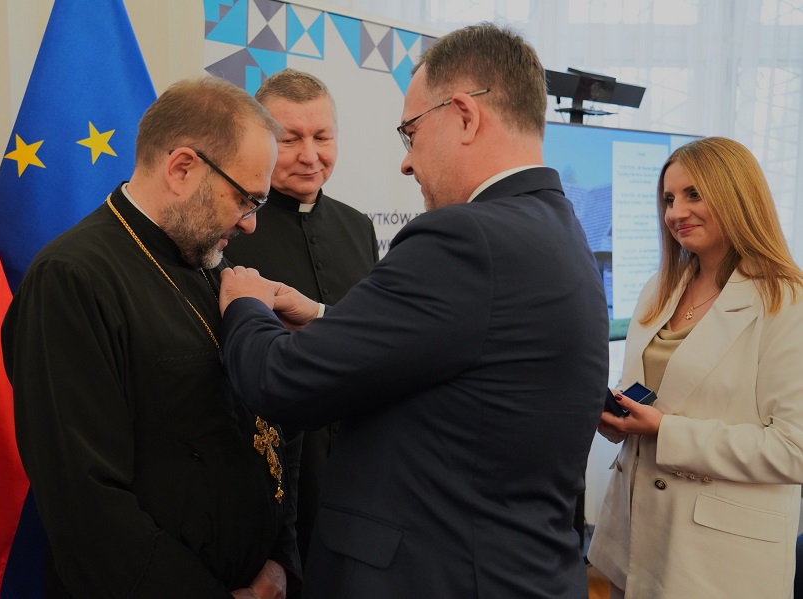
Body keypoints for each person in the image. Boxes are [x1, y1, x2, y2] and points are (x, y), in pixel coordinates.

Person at [216, 23, 610, 598]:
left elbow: (281, 381)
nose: (406, 163)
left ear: (465, 116)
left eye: (412, 133)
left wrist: (246, 305)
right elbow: (450, 348)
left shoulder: (465, 238)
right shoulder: (560, 227)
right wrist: (324, 317)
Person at [1, 76, 302, 598]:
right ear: (182, 168)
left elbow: (269, 427)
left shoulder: (210, 260)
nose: (250, 225)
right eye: (245, 200)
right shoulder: (71, 280)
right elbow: (86, 505)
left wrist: (281, 559)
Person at [587, 137, 803, 599]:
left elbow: (794, 449)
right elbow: (654, 388)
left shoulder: (787, 300)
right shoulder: (660, 287)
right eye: (668, 199)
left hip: (719, 560)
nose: (676, 213)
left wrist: (665, 430)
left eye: (693, 194)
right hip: (637, 538)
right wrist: (621, 417)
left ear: (738, 196)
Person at [224, 68, 379, 577]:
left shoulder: (357, 226)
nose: (310, 156)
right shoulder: (231, 229)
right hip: (265, 469)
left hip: (358, 467)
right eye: (290, 139)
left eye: (323, 137)